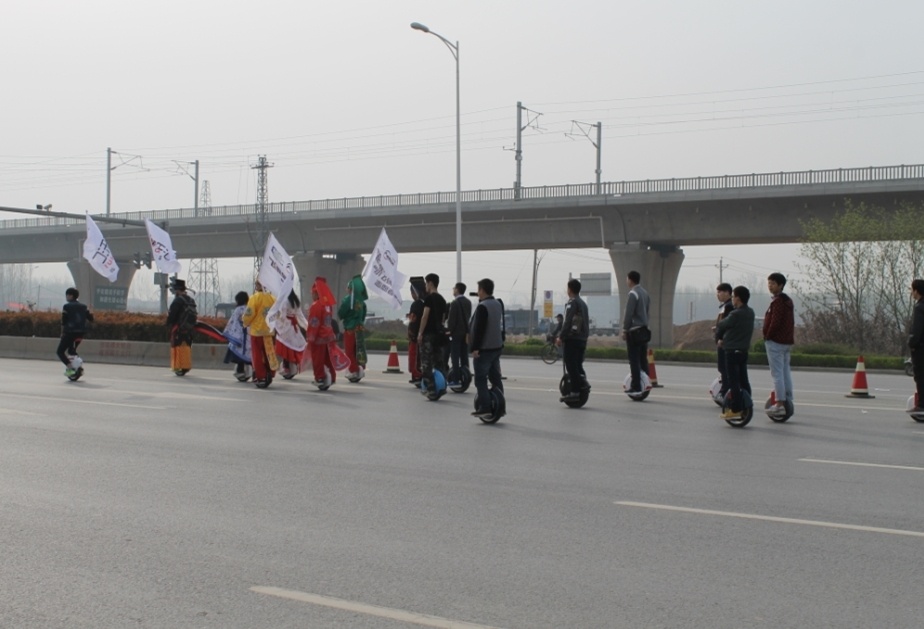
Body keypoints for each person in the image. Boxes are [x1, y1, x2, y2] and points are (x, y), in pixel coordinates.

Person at [715, 286, 755, 419]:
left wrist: (722, 339)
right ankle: (747, 404)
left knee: (733, 381)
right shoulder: (750, 312)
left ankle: (736, 408)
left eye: (733, 297)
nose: (732, 299)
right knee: (744, 380)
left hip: (732, 352)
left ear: (737, 298)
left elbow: (722, 324)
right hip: (743, 351)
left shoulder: (735, 314)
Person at [469, 278, 504, 418]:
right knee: (496, 378)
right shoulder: (497, 304)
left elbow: (479, 329)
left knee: (480, 379)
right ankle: (500, 406)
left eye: (478, 290)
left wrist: (475, 347)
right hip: (496, 346)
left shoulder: (483, 306)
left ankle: (485, 407)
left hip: (484, 349)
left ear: (482, 290)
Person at [763, 272, 795, 416]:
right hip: (786, 341)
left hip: (776, 342)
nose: (770, 286)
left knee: (777, 374)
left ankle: (780, 403)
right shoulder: (788, 301)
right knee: (785, 372)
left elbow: (775, 322)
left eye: (773, 284)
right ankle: (787, 398)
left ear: (780, 285)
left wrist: (767, 335)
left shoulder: (778, 302)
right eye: (769, 283)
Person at [557, 278, 590, 401]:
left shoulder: (572, 303)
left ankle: (575, 391)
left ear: (569, 289)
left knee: (571, 365)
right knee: (578, 365)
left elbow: (567, 322)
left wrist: (561, 337)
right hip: (582, 339)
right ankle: (583, 385)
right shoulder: (583, 304)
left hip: (572, 339)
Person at [416, 273, 448, 395]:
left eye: (426, 283)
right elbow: (443, 319)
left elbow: (425, 316)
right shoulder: (442, 300)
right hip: (439, 336)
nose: (425, 286)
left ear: (430, 283)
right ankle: (442, 386)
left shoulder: (429, 299)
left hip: (428, 335)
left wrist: (420, 333)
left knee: (426, 363)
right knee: (439, 362)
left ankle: (430, 388)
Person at [242, 280, 279, 387]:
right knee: (269, 353)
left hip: (257, 332)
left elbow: (249, 314)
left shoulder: (254, 298)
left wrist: (244, 322)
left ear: (258, 285)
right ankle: (270, 373)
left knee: (257, 356)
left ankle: (261, 376)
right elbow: (278, 314)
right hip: (269, 332)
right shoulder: (272, 298)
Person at [306, 277, 339, 390]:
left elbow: (314, 323)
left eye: (313, 293)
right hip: (328, 336)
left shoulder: (316, 306)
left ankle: (319, 378)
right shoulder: (327, 305)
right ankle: (332, 377)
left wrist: (310, 337)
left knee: (318, 359)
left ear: (316, 293)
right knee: (328, 359)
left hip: (319, 337)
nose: (312, 295)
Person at [621, 270, 651, 394]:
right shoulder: (645, 293)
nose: (626, 281)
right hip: (644, 330)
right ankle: (646, 383)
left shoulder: (633, 294)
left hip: (634, 331)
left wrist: (625, 329)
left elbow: (628, 314)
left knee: (634, 360)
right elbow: (647, 311)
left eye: (627, 279)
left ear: (631, 280)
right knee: (643, 359)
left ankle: (636, 386)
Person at [338, 275, 369, 382]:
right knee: (359, 349)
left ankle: (354, 370)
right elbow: (364, 314)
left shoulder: (348, 300)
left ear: (350, 288)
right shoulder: (362, 302)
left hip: (350, 328)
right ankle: (360, 367)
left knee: (350, 351)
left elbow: (341, 313)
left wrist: (345, 317)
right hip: (359, 328)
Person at [57, 287, 93, 377]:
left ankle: (70, 368)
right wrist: (91, 310)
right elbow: (91, 319)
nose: (66, 297)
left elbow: (63, 321)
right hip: (80, 333)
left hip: (69, 332)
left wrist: (62, 333)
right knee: (71, 351)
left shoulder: (66, 306)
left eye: (67, 295)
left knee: (60, 352)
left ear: (71, 296)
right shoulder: (84, 307)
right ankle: (78, 368)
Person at [165, 278, 197, 375]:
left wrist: (168, 323)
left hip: (179, 328)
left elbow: (172, 315)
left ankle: (179, 366)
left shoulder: (178, 300)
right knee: (186, 347)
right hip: (189, 329)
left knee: (177, 346)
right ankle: (185, 366)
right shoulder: (191, 300)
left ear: (177, 290)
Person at [274, 289, 308, 378]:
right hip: (294, 326)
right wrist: (307, 326)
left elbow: (282, 316)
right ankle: (292, 366)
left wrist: (276, 321)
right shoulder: (296, 301)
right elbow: (300, 316)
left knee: (285, 346)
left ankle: (286, 367)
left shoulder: (284, 301)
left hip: (286, 326)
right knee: (293, 346)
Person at [711, 283, 735, 400]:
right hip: (722, 341)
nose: (718, 295)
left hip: (724, 343)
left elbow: (727, 325)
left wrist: (721, 337)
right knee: (722, 368)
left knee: (724, 369)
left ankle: (725, 392)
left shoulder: (729, 306)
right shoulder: (725, 306)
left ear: (727, 293)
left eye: (719, 292)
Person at [446, 281, 472, 385]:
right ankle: (466, 376)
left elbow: (452, 320)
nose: (453, 290)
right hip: (465, 333)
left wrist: (449, 331)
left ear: (457, 289)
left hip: (456, 333)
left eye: (454, 288)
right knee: (464, 356)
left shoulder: (455, 303)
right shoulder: (468, 302)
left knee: (455, 357)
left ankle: (456, 379)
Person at [223, 290, 252, 381]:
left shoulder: (238, 310)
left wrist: (227, 332)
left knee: (239, 356)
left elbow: (233, 322)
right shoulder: (249, 308)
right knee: (248, 356)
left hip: (239, 337)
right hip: (248, 336)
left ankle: (240, 372)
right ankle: (250, 372)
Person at [406, 277, 426, 385]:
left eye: (412, 292)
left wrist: (412, 334)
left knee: (415, 357)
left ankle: (417, 375)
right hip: (424, 334)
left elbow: (413, 321)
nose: (411, 295)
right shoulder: (426, 302)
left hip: (415, 336)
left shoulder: (416, 304)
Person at [908, 279, 924, 412]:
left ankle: (921, 405)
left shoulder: (919, 308)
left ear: (917, 291)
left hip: (921, 349)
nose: (911, 293)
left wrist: (911, 343)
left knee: (920, 376)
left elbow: (917, 329)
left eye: (912, 290)